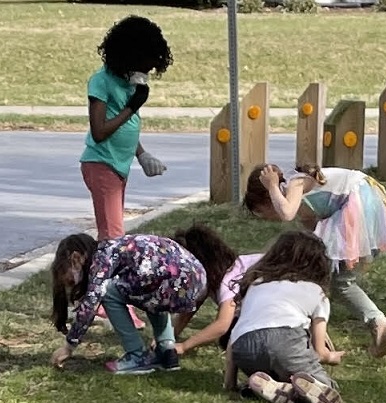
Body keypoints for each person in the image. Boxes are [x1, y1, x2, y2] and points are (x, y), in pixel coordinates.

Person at [243, 163, 386, 358]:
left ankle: (378, 323)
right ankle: (320, 328)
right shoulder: (301, 201)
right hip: (358, 199)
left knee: (339, 281)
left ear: (267, 198)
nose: (268, 218)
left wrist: (272, 186)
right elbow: (312, 236)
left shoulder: (295, 182)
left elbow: (286, 213)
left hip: (357, 199)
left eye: (263, 212)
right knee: (329, 277)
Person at [80, 15, 174, 329]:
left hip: (119, 166)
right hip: (101, 165)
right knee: (113, 241)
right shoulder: (102, 81)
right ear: (129, 55)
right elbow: (100, 131)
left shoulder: (127, 82)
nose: (148, 70)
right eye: (145, 63)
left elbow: (127, 128)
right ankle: (108, 303)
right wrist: (133, 106)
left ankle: (96, 297)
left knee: (110, 238)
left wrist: (142, 153)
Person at [224, 231, 345, 403]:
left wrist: (229, 382)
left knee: (277, 373)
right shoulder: (317, 292)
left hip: (245, 349)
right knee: (324, 386)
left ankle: (267, 388)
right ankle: (295, 391)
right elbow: (319, 351)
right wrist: (331, 357)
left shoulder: (257, 284)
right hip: (285, 342)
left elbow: (235, 333)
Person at [49, 233, 207, 374]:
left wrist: (69, 346)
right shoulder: (116, 247)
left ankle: (137, 355)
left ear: (76, 258)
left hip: (171, 284)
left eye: (70, 279)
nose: (72, 284)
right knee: (151, 288)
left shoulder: (101, 260)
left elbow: (90, 305)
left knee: (109, 292)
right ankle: (167, 350)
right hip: (196, 281)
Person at [170, 224, 262, 354]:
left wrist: (184, 346)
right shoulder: (212, 279)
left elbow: (222, 325)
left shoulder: (229, 281)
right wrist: (168, 338)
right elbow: (188, 310)